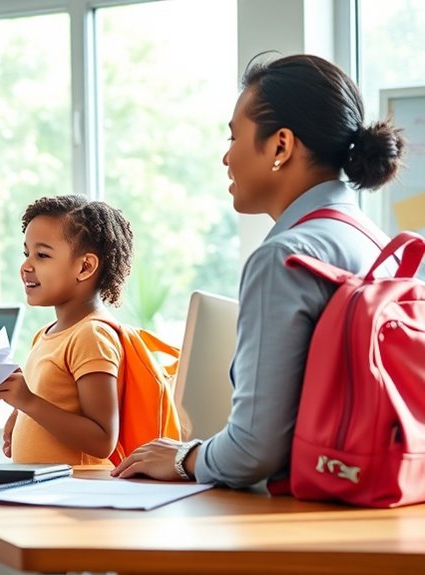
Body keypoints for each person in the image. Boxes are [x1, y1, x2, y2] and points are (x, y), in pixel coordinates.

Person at [111, 53, 406, 487]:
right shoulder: (382, 245)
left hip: (304, 512)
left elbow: (252, 451)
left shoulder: (285, 257)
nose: (225, 157)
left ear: (281, 146)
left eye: (234, 136)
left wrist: (184, 457)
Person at [0, 195, 135, 466]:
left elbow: (103, 440)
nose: (26, 266)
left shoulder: (92, 335)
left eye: (42, 255)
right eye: (26, 254)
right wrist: (20, 411)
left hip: (78, 489)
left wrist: (28, 402)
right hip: (47, 487)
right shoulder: (45, 334)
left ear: (85, 267)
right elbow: (54, 404)